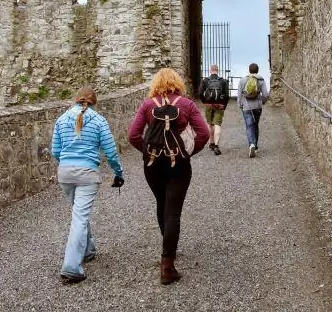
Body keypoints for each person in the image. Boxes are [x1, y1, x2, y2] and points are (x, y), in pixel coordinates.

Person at [128, 68, 210, 284]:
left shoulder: (147, 105)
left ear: (156, 84)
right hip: (179, 165)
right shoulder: (186, 104)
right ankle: (167, 265)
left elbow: (133, 135)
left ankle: (167, 245)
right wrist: (188, 153)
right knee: (173, 212)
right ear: (177, 83)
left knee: (161, 202)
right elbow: (204, 133)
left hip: (152, 165)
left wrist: (148, 152)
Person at [51, 86, 124, 284]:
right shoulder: (99, 121)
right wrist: (118, 172)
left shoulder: (61, 119)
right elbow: (110, 152)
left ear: (76, 99)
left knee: (78, 214)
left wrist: (68, 162)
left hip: (65, 173)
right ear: (94, 102)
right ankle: (71, 266)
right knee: (80, 218)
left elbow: (55, 151)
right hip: (87, 174)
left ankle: (88, 249)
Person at [237, 63, 270, 158]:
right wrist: (262, 102)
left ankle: (251, 144)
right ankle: (255, 147)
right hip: (258, 106)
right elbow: (266, 94)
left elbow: (239, 94)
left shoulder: (243, 80)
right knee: (255, 125)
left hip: (247, 107)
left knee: (249, 126)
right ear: (257, 70)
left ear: (249, 70)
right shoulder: (261, 80)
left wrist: (240, 105)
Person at [197, 64, 229, 155]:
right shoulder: (223, 81)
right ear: (217, 71)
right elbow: (227, 95)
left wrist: (205, 102)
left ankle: (211, 143)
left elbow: (199, 93)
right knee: (217, 124)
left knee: (210, 124)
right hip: (219, 106)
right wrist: (224, 105)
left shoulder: (205, 81)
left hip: (208, 105)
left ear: (210, 71)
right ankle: (216, 145)